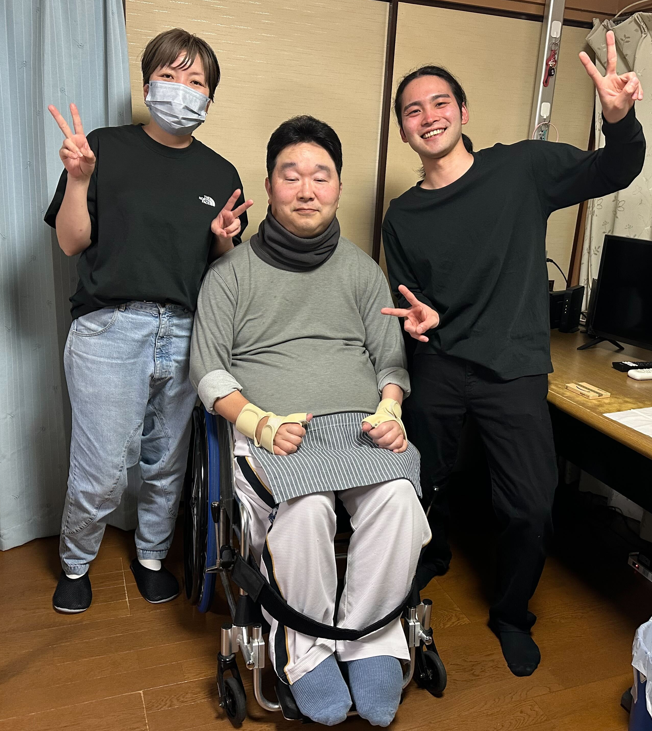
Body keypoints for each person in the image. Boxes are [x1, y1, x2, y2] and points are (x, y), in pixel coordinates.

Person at [381, 30, 645, 677]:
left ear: (462, 113)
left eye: (439, 103)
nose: (428, 116)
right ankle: (430, 555)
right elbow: (411, 302)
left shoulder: (522, 168)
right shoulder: (402, 216)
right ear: (404, 132)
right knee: (420, 481)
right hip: (440, 363)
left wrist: (619, 120)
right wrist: (423, 319)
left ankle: (511, 613)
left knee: (529, 505)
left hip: (515, 365)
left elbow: (615, 171)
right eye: (413, 110)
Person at [190, 115, 430, 727]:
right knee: (305, 509)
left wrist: (391, 408)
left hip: (358, 429)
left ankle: (371, 642)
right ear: (269, 186)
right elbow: (209, 371)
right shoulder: (229, 274)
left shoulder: (362, 270)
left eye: (320, 177)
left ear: (338, 187)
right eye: (290, 175)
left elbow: (391, 360)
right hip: (277, 431)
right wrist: (258, 422)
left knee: (400, 501)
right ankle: (308, 651)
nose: (306, 190)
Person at [44, 28, 252, 614]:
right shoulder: (102, 148)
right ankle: (76, 562)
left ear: (210, 97)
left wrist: (223, 242)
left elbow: (222, 275)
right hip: (110, 329)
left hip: (187, 332)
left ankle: (153, 556)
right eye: (170, 75)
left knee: (167, 461)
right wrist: (79, 179)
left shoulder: (221, 173)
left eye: (196, 81)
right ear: (147, 82)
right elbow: (70, 243)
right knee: (101, 469)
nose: (182, 89)